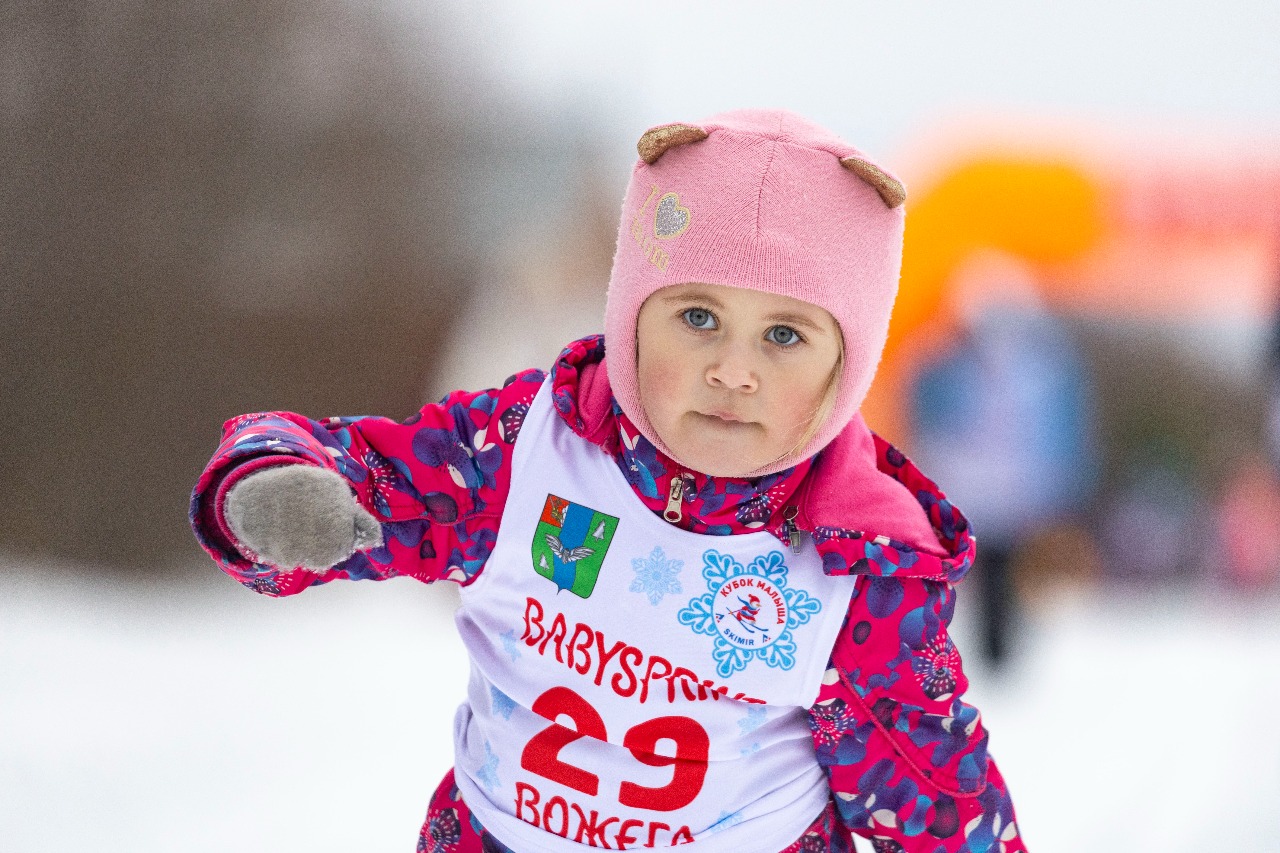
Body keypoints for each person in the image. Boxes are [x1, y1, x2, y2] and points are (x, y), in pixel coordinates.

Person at [191, 110, 1026, 853]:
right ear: (630, 315)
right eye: (697, 317)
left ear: (847, 367)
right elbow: (391, 477)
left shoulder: (858, 561)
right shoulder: (528, 455)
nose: (733, 370)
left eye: (784, 335)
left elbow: (930, 786)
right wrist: (291, 488)